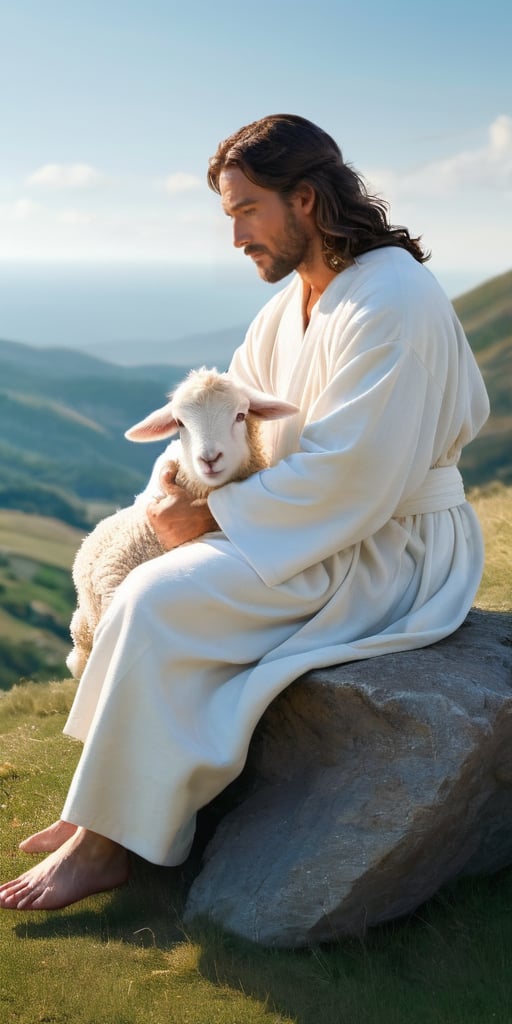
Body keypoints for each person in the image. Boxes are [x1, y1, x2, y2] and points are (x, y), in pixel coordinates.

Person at [0, 114, 489, 911]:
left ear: (304, 200)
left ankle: (103, 848)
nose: (235, 239)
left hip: (383, 548)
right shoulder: (295, 302)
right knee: (132, 576)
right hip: (299, 523)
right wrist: (172, 485)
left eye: (244, 211)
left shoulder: (391, 299)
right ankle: (97, 807)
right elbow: (219, 406)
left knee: (158, 601)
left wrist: (218, 519)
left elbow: (355, 476)